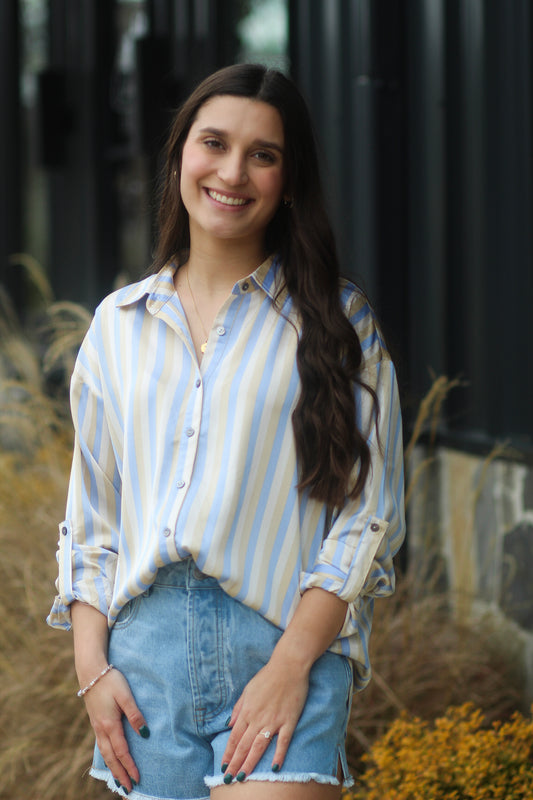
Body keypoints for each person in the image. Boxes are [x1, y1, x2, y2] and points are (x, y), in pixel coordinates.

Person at [47, 63, 405, 800]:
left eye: (263, 154)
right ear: (181, 153)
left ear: (287, 178)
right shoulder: (117, 326)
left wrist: (290, 667)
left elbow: (367, 514)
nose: (232, 172)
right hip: (143, 660)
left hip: (281, 644)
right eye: (214, 143)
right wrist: (92, 670)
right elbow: (92, 519)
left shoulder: (339, 326)